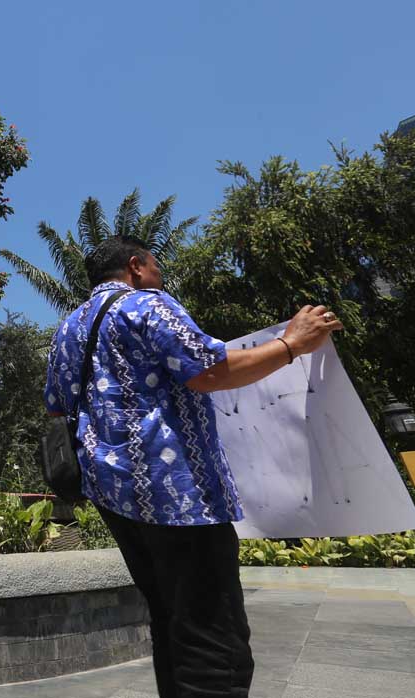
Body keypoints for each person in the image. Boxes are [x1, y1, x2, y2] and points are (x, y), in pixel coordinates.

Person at [44, 237, 342, 698]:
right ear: (136, 266)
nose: (161, 277)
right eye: (157, 267)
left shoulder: (67, 330)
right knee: (213, 632)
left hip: (115, 497)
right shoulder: (146, 304)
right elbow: (210, 371)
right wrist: (291, 344)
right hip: (177, 494)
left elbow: (57, 408)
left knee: (171, 620)